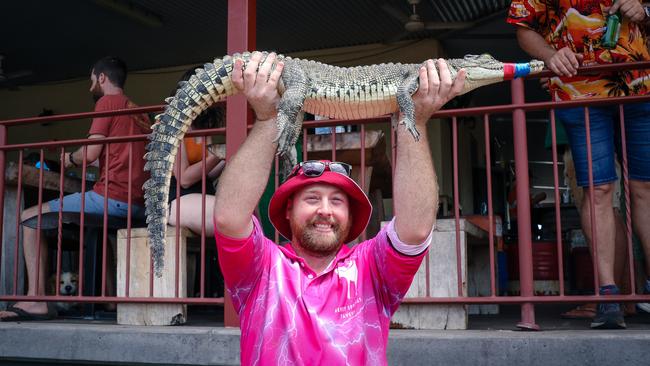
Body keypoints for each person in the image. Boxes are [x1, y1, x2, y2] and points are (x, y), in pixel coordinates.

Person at [212, 51, 465, 364]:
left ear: (351, 215)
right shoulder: (262, 269)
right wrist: (267, 120)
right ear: (288, 210)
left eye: (337, 201)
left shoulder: (370, 268)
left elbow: (414, 231)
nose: (325, 210)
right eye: (312, 198)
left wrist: (413, 121)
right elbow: (229, 218)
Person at [507, 0, 650, 329]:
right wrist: (550, 55)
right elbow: (523, 26)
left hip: (641, 84)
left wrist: (645, 12)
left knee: (645, 187)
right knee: (597, 188)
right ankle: (608, 295)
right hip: (580, 89)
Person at [0, 56, 151, 321]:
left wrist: (69, 158)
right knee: (92, 229)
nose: (90, 83)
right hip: (139, 204)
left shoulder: (107, 102)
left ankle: (36, 299)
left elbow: (90, 154)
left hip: (113, 198)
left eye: (92, 77)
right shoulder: (139, 112)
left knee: (29, 217)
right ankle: (109, 300)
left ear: (101, 78)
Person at [167, 68, 226, 237]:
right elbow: (184, 178)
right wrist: (219, 153)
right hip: (177, 196)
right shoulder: (174, 122)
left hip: (202, 192)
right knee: (230, 214)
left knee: (243, 211)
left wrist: (227, 157)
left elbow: (207, 172)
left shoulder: (202, 125)